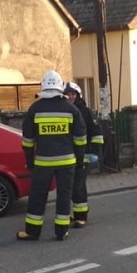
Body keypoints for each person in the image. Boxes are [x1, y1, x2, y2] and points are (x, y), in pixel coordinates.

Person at [17, 70, 87, 241]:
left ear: (43, 86)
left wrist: (29, 162)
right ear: (60, 87)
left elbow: (27, 141)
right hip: (67, 161)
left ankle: (32, 231)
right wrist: (79, 161)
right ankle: (61, 231)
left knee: (37, 196)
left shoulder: (35, 109)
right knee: (64, 195)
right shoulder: (71, 109)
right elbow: (80, 138)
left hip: (43, 163)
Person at [63, 82, 104, 228]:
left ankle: (81, 216)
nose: (70, 97)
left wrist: (95, 152)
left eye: (73, 94)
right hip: (66, 156)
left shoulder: (85, 112)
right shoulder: (63, 111)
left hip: (83, 155)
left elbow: (96, 132)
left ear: (78, 95)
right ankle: (67, 214)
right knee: (66, 187)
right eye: (67, 94)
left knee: (78, 186)